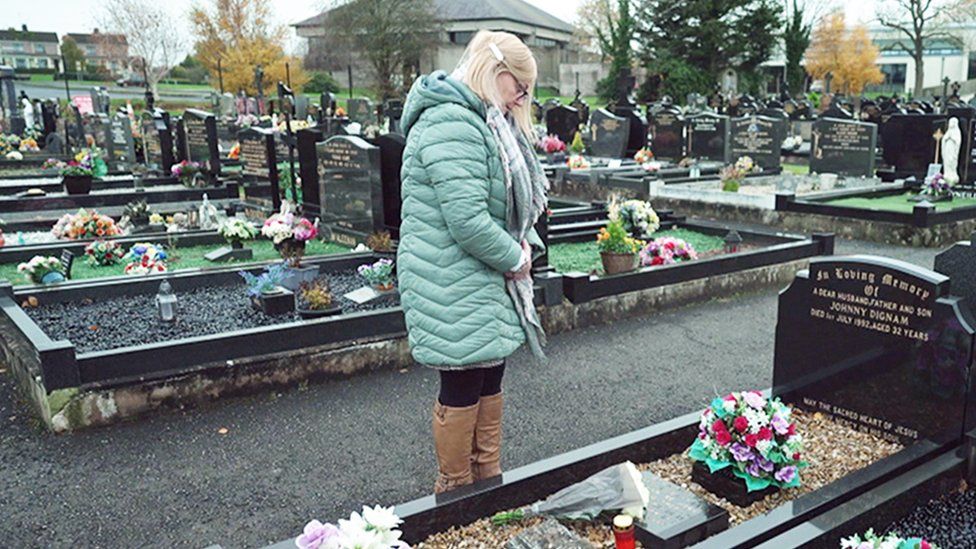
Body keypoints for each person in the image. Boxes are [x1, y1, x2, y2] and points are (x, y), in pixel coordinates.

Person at [398, 30, 549, 493]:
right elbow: (466, 219)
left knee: (488, 377)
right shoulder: (453, 122)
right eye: (519, 88)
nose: (520, 100)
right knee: (463, 385)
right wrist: (516, 258)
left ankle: (488, 486)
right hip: (450, 277)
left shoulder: (478, 120)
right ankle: (457, 496)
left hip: (474, 278)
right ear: (495, 72)